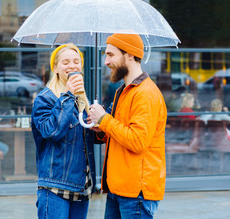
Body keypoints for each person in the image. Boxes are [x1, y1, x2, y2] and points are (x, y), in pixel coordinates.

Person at [88, 33, 167, 219]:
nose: (106, 62)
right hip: (118, 188)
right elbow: (120, 133)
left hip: (136, 192)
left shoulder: (145, 94)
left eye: (111, 55)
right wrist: (101, 129)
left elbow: (137, 141)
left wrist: (105, 120)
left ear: (130, 54)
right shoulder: (123, 91)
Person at [31, 44, 96, 219]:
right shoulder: (45, 98)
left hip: (81, 184)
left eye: (76, 61)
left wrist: (99, 123)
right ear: (55, 68)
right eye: (65, 62)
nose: (72, 66)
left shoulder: (82, 100)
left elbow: (86, 140)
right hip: (55, 185)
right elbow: (52, 132)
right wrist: (67, 95)